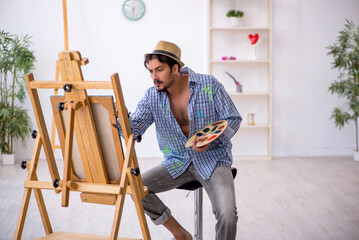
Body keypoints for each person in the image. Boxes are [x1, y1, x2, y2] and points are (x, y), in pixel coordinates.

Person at [128, 40, 242, 240]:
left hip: (213, 160)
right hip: (176, 161)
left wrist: (211, 139)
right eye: (151, 71)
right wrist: (117, 117)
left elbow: (233, 118)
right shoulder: (151, 96)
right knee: (135, 187)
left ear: (175, 68)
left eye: (159, 70)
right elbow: (135, 128)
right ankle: (180, 234)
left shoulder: (209, 85)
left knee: (227, 215)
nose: (154, 77)